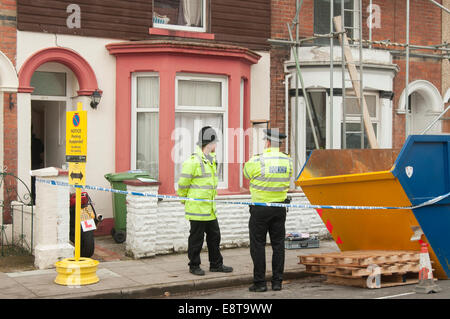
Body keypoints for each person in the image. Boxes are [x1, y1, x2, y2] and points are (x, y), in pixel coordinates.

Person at [177, 126, 233, 276]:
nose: (216, 146)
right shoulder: (193, 161)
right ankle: (194, 265)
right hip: (197, 208)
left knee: (215, 236)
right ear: (210, 143)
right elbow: (183, 184)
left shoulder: (211, 160)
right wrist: (184, 199)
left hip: (209, 208)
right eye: (215, 143)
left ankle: (216, 264)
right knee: (196, 239)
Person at [243, 129, 293, 292]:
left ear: (268, 142)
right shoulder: (287, 161)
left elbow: (246, 174)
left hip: (260, 210)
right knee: (278, 245)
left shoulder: (257, 160)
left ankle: (260, 283)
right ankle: (277, 282)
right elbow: (288, 178)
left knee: (258, 245)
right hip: (279, 209)